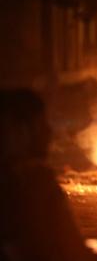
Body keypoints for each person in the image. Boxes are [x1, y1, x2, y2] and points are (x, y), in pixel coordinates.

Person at [0, 88, 91, 261]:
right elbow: (71, 249)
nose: (49, 132)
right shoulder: (34, 182)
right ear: (20, 131)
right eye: (41, 124)